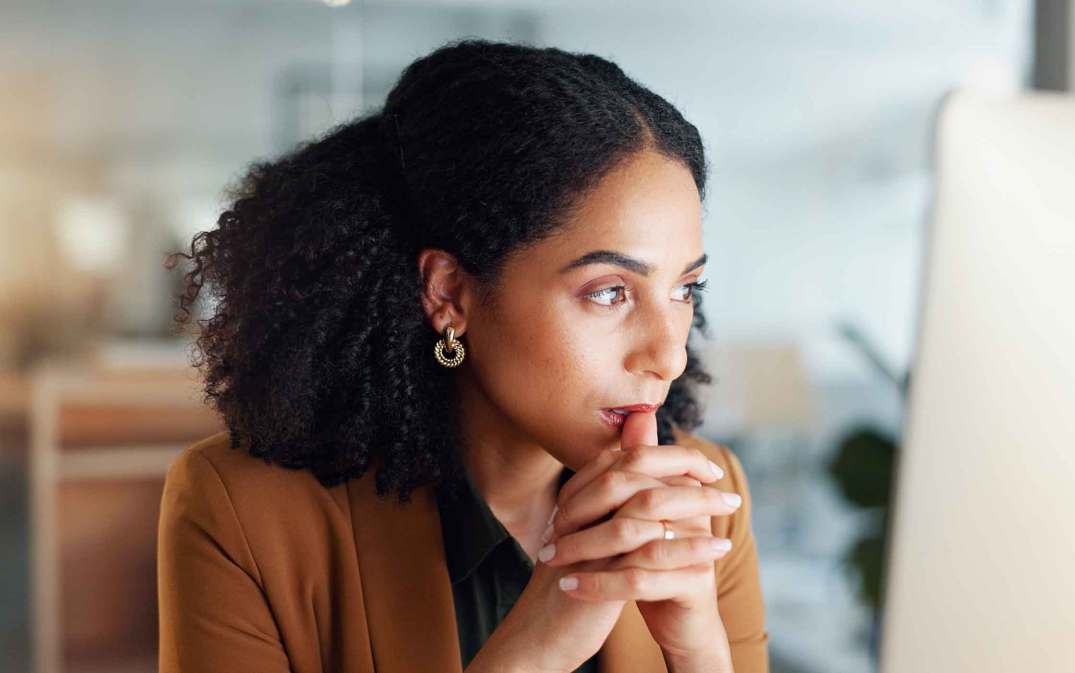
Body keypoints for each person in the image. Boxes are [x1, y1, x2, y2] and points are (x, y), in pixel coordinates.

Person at [158, 38, 768, 673]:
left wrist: (699, 654)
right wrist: (536, 649)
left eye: (684, 289)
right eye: (609, 292)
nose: (668, 356)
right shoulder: (241, 514)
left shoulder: (708, 505)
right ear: (449, 293)